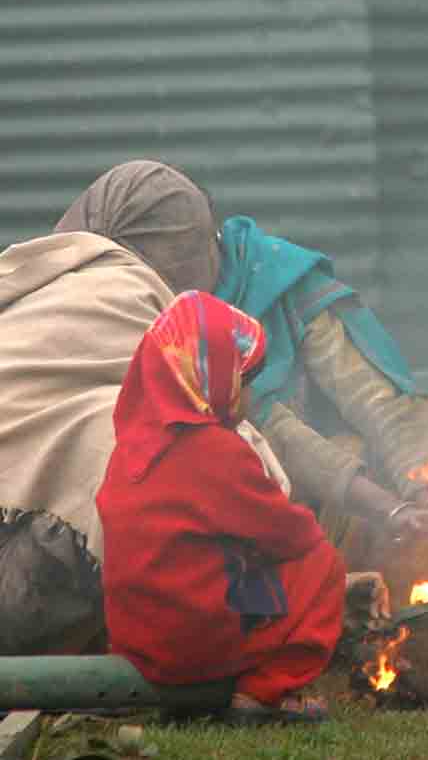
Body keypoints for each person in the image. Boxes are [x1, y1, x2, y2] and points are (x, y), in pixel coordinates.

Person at [0, 160, 384, 655]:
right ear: (184, 251)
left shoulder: (26, 291)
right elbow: (258, 497)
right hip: (35, 578)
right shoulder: (149, 319)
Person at [97, 290, 344, 723]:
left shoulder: (129, 446)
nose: (248, 397)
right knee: (321, 563)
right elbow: (290, 534)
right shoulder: (214, 450)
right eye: (244, 380)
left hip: (138, 648)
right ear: (207, 377)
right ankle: (261, 694)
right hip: (192, 649)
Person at [213, 214, 428, 603]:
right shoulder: (158, 320)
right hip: (253, 528)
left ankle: (407, 607)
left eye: (190, 250)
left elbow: (376, 400)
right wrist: (389, 508)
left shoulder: (273, 277)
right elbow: (271, 431)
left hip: (337, 487)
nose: (180, 267)